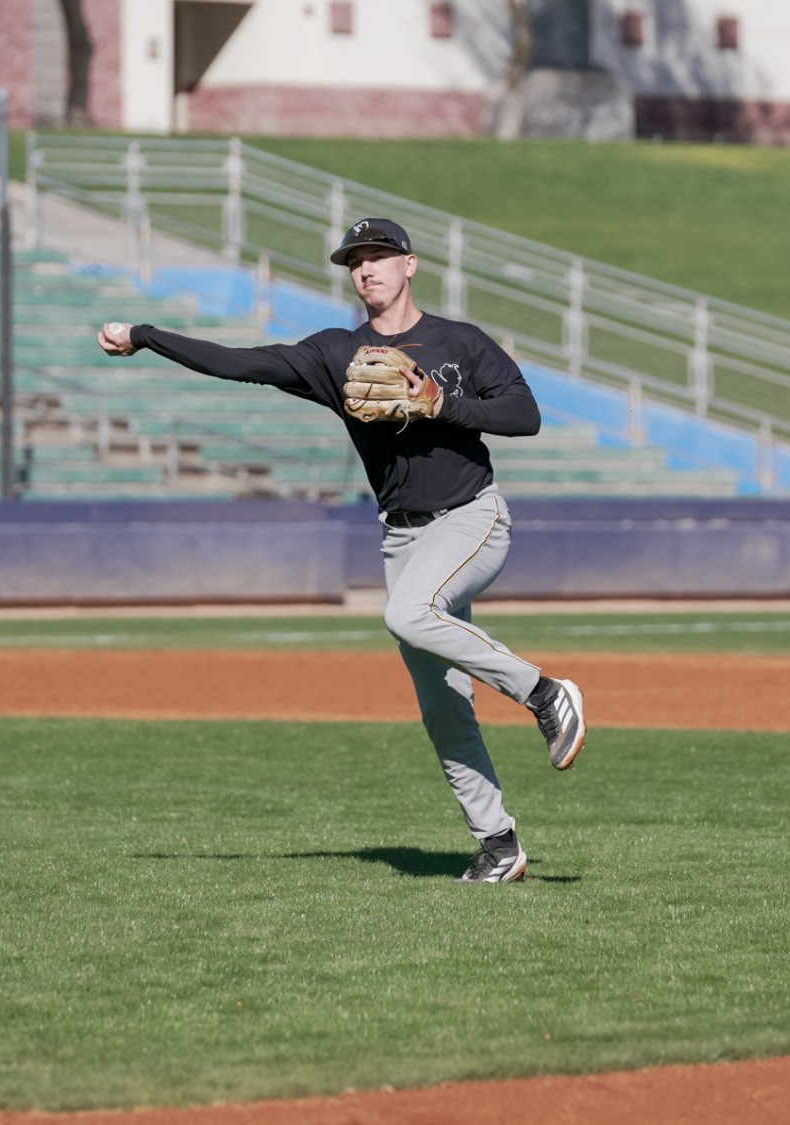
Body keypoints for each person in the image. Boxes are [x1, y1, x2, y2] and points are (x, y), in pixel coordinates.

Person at [97, 217, 586, 885]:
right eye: (355, 259)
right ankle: (498, 842)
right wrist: (148, 337)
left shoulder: (458, 342)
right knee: (442, 705)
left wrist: (445, 402)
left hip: (472, 516)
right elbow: (243, 362)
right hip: (402, 536)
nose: (366, 267)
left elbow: (524, 414)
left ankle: (546, 692)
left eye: (379, 255)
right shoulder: (335, 354)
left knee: (408, 615)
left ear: (409, 264)